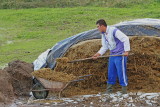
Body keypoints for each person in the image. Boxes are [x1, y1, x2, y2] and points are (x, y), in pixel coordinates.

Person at [92, 19, 130, 94]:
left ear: (102, 26)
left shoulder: (114, 31)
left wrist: (126, 51)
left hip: (120, 54)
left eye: (98, 27)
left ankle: (124, 91)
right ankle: (109, 90)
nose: (97, 29)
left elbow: (125, 38)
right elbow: (105, 46)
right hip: (112, 54)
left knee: (121, 72)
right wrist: (98, 54)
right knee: (111, 72)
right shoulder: (103, 34)